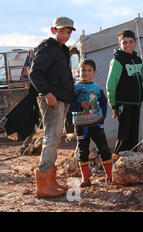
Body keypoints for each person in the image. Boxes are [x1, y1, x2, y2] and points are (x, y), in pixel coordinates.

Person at [29, 16, 75, 198]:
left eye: (68, 32)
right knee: (51, 137)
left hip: (59, 98)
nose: (65, 35)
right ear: (53, 30)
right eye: (62, 31)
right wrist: (48, 94)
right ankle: (42, 185)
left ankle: (50, 181)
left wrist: (66, 97)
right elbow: (35, 73)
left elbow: (61, 76)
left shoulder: (61, 50)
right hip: (51, 99)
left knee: (55, 138)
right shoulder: (48, 47)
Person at [106, 30, 143, 159]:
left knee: (133, 134)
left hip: (136, 102)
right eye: (124, 42)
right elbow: (111, 84)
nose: (128, 45)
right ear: (119, 44)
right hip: (123, 103)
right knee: (124, 135)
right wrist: (113, 105)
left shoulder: (138, 60)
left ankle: (132, 162)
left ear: (135, 43)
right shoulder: (117, 60)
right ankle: (117, 162)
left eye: (131, 42)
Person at [70, 59, 112, 187]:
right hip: (81, 125)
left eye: (89, 70)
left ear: (94, 72)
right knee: (83, 151)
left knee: (103, 148)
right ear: (78, 71)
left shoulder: (98, 89)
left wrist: (102, 116)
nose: (86, 73)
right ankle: (85, 179)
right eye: (83, 70)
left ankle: (110, 176)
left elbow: (104, 102)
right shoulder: (75, 88)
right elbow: (68, 105)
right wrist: (79, 106)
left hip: (96, 124)